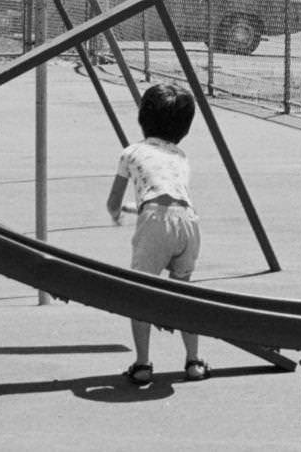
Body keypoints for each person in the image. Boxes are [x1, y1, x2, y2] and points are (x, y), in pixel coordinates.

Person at [106, 82, 205, 386]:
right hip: (188, 222)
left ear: (143, 117)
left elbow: (114, 202)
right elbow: (167, 196)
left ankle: (143, 363)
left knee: (141, 296)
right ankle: (193, 361)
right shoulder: (181, 156)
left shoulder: (131, 152)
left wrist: (117, 212)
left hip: (154, 222)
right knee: (183, 295)